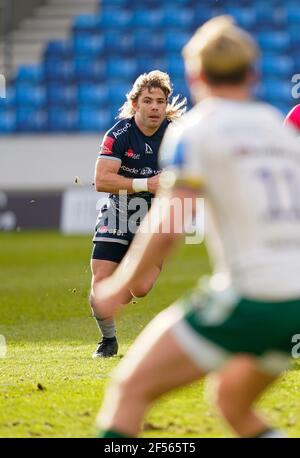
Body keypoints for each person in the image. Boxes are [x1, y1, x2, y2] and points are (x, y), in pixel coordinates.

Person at [92, 16, 300, 438]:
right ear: (254, 73)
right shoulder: (279, 129)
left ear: (196, 75)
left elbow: (170, 223)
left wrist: (119, 284)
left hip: (255, 297)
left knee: (129, 390)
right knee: (232, 403)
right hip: (296, 298)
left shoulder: (196, 130)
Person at [89, 71, 186, 358]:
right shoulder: (118, 134)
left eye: (160, 101)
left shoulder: (177, 134)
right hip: (120, 212)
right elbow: (102, 180)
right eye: (148, 101)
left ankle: (131, 269)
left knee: (140, 288)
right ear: (135, 104)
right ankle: (107, 341)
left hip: (158, 216)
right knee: (101, 280)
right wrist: (148, 184)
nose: (155, 107)